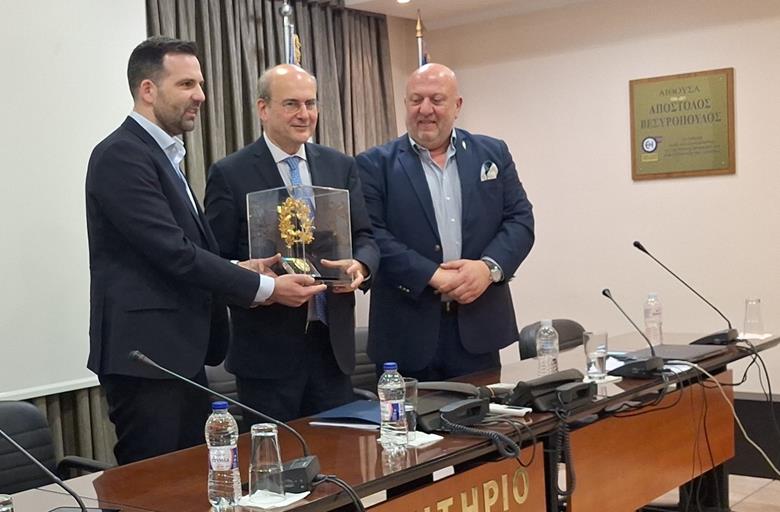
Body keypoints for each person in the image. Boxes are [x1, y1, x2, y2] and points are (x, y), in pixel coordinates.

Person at [86, 37, 324, 464]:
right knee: (155, 486)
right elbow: (173, 253)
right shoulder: (121, 155)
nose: (200, 95)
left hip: (177, 355)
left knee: (192, 480)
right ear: (147, 90)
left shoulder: (162, 155)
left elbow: (183, 251)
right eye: (186, 84)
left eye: (200, 84)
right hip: (147, 360)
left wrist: (239, 266)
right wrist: (267, 288)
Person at [204, 64, 379, 422]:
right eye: (291, 104)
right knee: (276, 455)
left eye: (310, 103)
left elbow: (365, 237)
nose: (304, 114)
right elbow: (216, 264)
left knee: (339, 452)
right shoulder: (230, 173)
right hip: (267, 357)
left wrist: (360, 266)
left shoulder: (340, 165)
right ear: (263, 109)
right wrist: (264, 289)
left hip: (332, 349)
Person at [356, 63, 535, 381]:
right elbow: (372, 235)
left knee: (482, 413)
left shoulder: (492, 153)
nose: (425, 110)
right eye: (416, 100)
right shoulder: (373, 164)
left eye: (437, 100)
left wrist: (488, 269)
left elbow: (520, 220)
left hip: (478, 327)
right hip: (406, 333)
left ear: (457, 106)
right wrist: (432, 275)